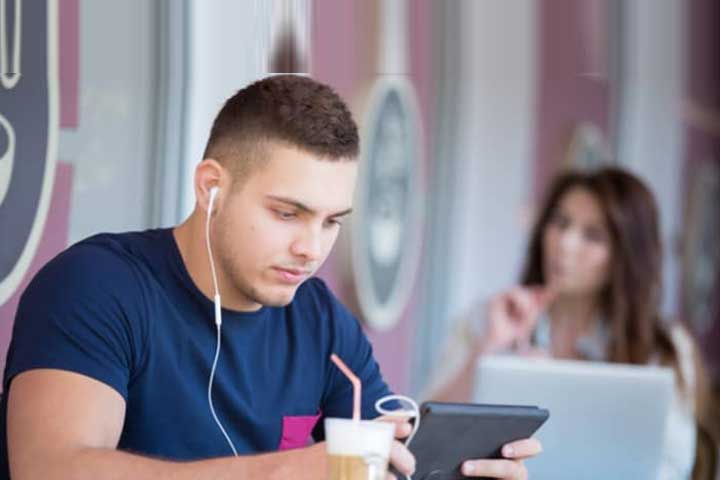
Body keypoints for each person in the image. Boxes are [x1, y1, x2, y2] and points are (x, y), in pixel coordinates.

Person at [0, 75, 541, 480]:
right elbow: (50, 469)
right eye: (287, 213)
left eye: (331, 222)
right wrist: (288, 471)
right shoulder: (96, 285)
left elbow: (384, 461)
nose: (311, 249)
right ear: (211, 188)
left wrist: (454, 472)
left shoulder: (324, 324)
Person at [426, 167, 713, 479]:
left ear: (627, 253)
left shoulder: (662, 347)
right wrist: (487, 350)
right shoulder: (490, 317)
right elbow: (423, 434)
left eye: (593, 235)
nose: (565, 243)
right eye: (560, 223)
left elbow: (672, 468)